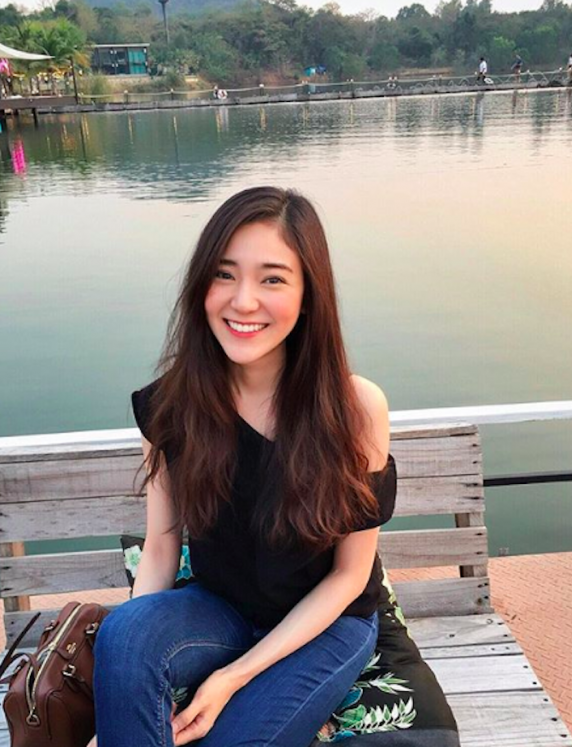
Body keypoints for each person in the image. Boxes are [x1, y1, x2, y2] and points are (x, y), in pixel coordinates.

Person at [93, 187, 397, 747]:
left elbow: (349, 576)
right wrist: (131, 669)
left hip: (326, 623)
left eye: (272, 279)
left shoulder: (355, 410)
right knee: (124, 636)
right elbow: (161, 547)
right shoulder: (171, 405)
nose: (243, 301)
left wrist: (232, 678)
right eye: (224, 274)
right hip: (221, 609)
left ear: (308, 296)